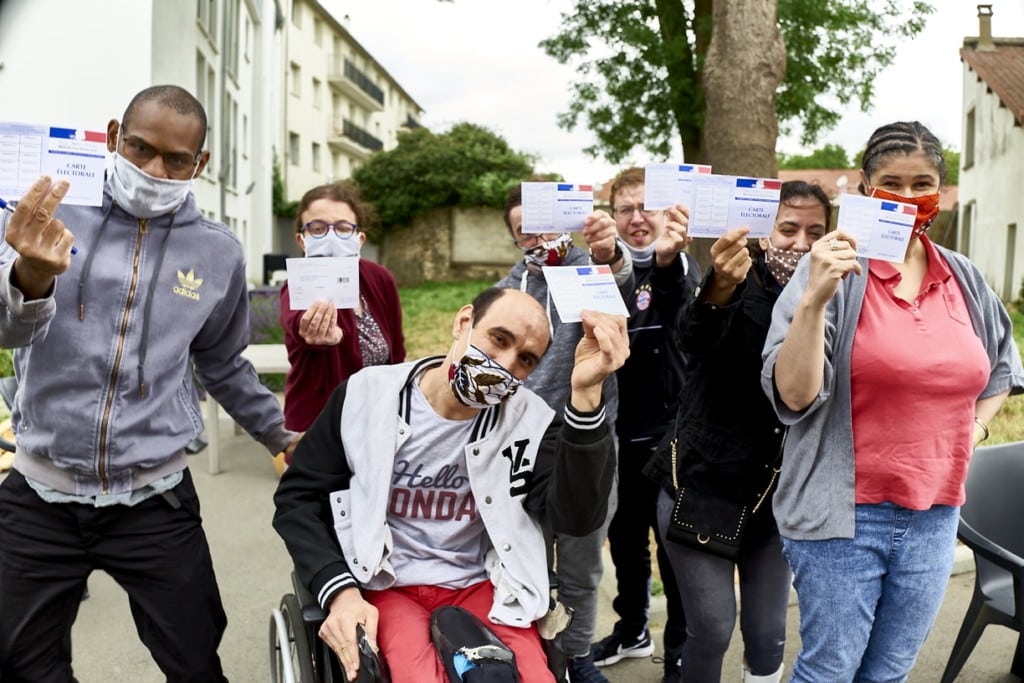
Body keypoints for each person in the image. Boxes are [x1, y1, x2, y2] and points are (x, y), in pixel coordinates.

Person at [0, 85, 298, 681]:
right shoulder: (45, 218)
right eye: (140, 149)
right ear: (114, 136)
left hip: (153, 498)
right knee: (21, 663)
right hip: (40, 493)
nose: (155, 170)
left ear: (200, 164)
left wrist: (278, 432)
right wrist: (30, 276)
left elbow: (222, 360)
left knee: (193, 659)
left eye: (176, 160)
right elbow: (8, 334)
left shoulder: (217, 253)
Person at [761, 121, 1024, 681]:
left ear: (940, 189)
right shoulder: (828, 274)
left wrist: (972, 432)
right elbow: (794, 394)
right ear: (863, 187)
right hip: (843, 518)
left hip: (936, 514)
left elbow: (1001, 369)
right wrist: (814, 300)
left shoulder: (964, 277)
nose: (907, 198)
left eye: (922, 183)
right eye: (891, 183)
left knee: (890, 671)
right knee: (830, 669)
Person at [272, 287, 628, 682]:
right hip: (390, 584)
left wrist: (586, 394)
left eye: (525, 360)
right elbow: (298, 498)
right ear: (463, 323)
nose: (505, 364)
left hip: (484, 584)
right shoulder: (366, 396)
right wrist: (340, 593)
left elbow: (577, 517)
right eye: (499, 339)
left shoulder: (532, 424)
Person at [645, 181, 831, 683]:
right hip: (701, 486)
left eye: (815, 231)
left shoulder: (833, 293)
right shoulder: (736, 277)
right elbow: (691, 335)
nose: (800, 243)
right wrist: (720, 286)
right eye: (787, 229)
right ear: (765, 233)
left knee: (769, 634)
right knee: (711, 628)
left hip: (775, 496)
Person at [495, 184, 629, 683]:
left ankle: (577, 659)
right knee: (524, 559)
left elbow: (619, 277)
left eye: (543, 221)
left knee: (581, 566)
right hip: (522, 448)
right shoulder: (508, 291)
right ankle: (532, 652)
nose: (536, 235)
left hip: (587, 443)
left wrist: (608, 253)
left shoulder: (587, 267)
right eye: (522, 230)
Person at [590, 167, 697, 683]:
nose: (636, 218)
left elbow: (680, 308)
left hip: (671, 439)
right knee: (625, 543)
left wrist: (668, 262)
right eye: (625, 209)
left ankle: (679, 650)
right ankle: (632, 626)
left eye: (645, 208)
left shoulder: (682, 268)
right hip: (615, 435)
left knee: (674, 553)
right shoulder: (598, 272)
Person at [280, 181, 405, 433]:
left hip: (377, 420)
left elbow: (398, 353)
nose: (331, 236)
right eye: (317, 228)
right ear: (302, 240)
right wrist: (317, 335)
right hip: (318, 426)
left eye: (342, 228)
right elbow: (297, 323)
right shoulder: (298, 285)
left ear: (359, 239)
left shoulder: (379, 278)